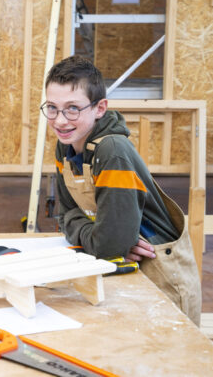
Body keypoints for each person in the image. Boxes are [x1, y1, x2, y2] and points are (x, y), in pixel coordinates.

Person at [42, 55, 201, 325]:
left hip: (160, 275)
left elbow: (108, 245)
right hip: (119, 267)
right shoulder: (65, 146)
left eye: (72, 109)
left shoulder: (112, 151)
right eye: (52, 108)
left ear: (100, 107)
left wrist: (104, 239)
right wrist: (101, 235)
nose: (60, 121)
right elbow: (67, 215)